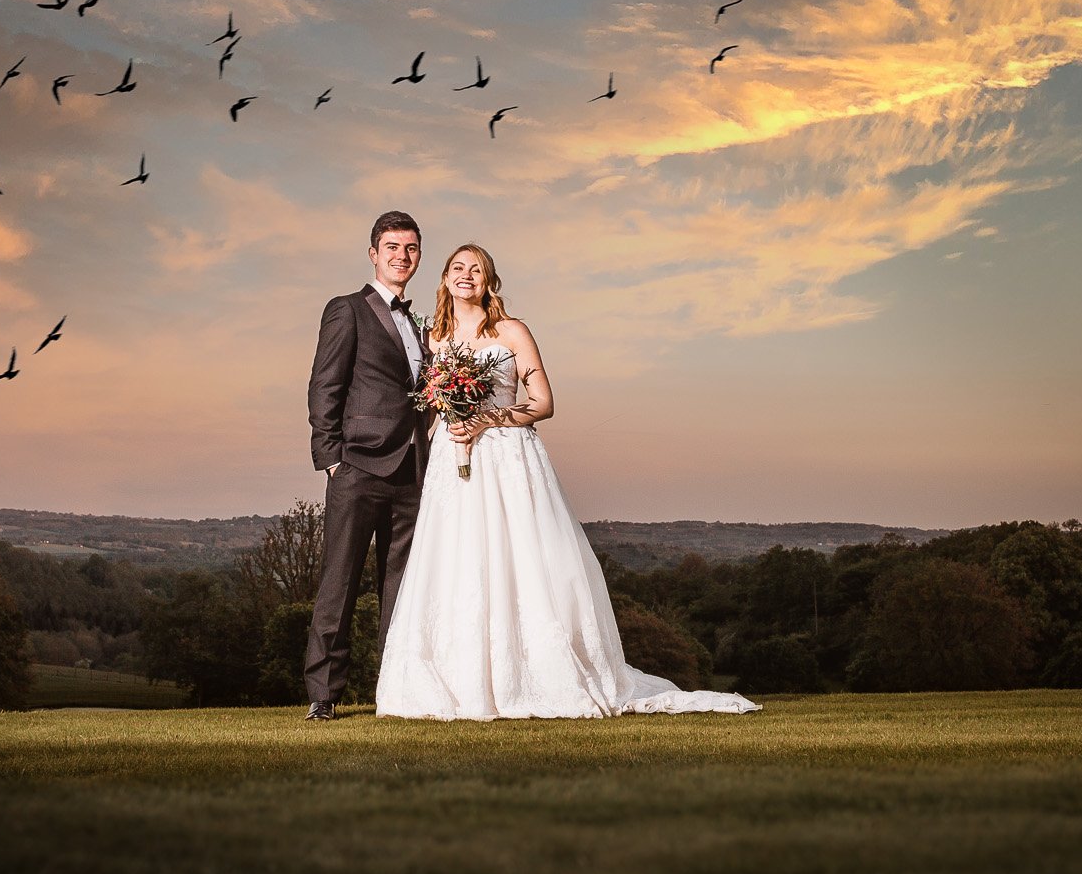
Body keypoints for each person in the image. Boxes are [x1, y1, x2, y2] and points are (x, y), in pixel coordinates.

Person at [374, 243, 760, 719]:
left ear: (489, 280)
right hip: (452, 465)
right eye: (458, 267)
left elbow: (542, 402)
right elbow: (426, 404)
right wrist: (447, 417)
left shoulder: (512, 332)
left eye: (477, 269)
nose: (467, 275)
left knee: (523, 562)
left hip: (507, 457)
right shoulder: (432, 337)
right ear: (445, 278)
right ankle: (462, 680)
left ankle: (534, 673)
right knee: (459, 561)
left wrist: (488, 419)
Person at [302, 210, 430, 721]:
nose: (403, 256)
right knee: (340, 583)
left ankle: (392, 691)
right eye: (393, 247)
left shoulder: (420, 325)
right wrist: (330, 458)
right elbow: (324, 385)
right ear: (374, 253)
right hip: (356, 468)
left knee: (401, 588)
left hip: (414, 473)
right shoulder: (346, 309)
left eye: (412, 248)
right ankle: (323, 697)